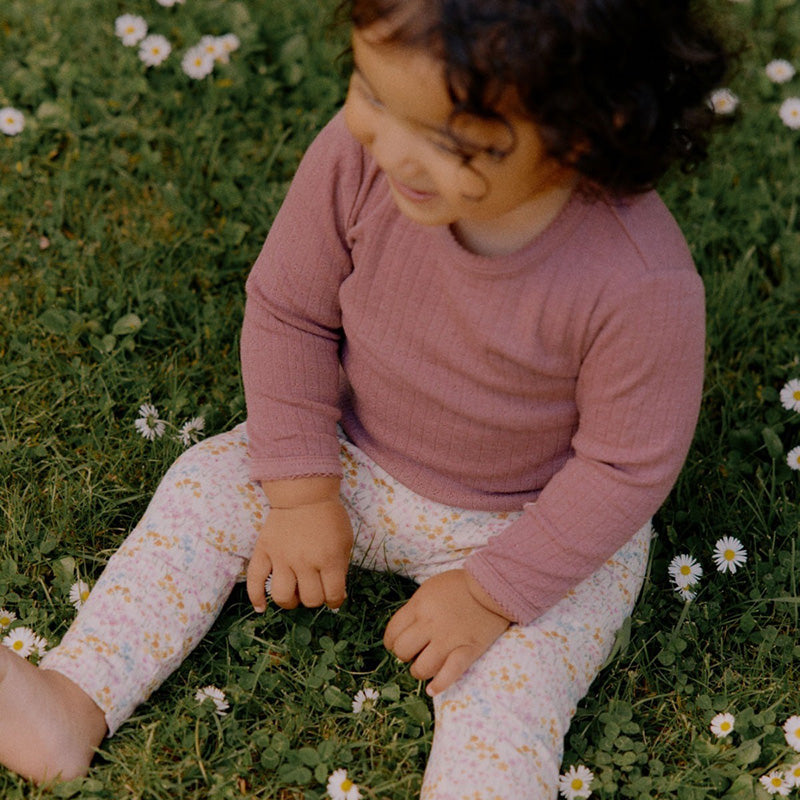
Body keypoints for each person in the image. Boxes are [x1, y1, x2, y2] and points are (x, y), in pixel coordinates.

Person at [0, 0, 727, 796]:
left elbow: (624, 469)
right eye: (373, 95)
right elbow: (288, 311)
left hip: (536, 520)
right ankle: (72, 701)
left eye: (455, 143)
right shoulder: (357, 158)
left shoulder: (639, 284)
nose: (399, 154)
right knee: (204, 492)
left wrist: (494, 593)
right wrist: (303, 493)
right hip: (353, 453)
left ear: (590, 131)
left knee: (512, 689)